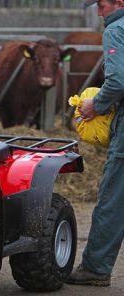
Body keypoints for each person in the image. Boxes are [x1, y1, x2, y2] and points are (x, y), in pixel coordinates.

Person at [67, 0, 124, 287]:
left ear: (119, 4)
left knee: (113, 200)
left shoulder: (116, 29)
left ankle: (95, 268)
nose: (98, 12)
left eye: (102, 5)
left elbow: (117, 82)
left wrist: (96, 106)